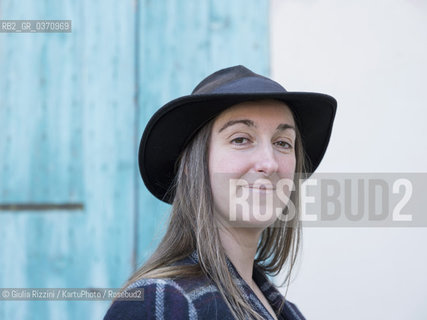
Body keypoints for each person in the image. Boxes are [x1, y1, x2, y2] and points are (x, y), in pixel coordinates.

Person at [103, 65, 337, 320]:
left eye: (283, 143)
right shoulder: (159, 303)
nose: (269, 163)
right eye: (240, 139)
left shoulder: (288, 312)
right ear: (192, 167)